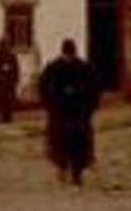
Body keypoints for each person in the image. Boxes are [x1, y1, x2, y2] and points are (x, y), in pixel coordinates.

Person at [38, 38, 101, 185]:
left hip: (70, 115)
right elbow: (95, 90)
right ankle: (69, 171)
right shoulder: (83, 67)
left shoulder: (55, 67)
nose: (69, 57)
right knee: (69, 144)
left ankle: (72, 172)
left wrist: (49, 105)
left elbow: (43, 88)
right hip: (71, 115)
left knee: (68, 144)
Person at [0, 38, 20, 123]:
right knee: (1, 101)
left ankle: (8, 116)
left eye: (5, 45)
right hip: (1, 83)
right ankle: (3, 116)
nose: (4, 47)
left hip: (9, 83)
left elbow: (16, 69)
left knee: (9, 101)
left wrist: (14, 79)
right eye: (2, 45)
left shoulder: (12, 56)